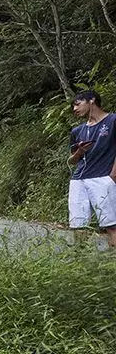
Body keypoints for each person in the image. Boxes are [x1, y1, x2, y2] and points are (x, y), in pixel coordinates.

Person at [68, 89, 116, 247]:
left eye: (77, 104)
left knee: (111, 225)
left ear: (92, 100)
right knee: (78, 225)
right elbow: (72, 160)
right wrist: (79, 152)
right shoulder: (77, 131)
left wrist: (113, 176)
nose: (75, 109)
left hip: (103, 177)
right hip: (78, 180)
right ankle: (81, 259)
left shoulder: (112, 120)